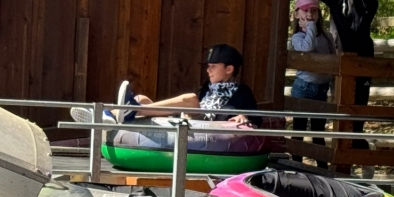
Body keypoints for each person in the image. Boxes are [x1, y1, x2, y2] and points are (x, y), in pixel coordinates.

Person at [292, 0, 379, 148]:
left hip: (363, 62)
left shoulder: (371, 4)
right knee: (340, 107)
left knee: (359, 110)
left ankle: (359, 150)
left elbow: (358, 26)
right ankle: (340, 155)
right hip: (339, 61)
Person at [71, 44, 259, 126]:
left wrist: (244, 116)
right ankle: (114, 114)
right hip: (190, 120)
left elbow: (255, 118)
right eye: (207, 66)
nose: (208, 70)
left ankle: (123, 111)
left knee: (191, 99)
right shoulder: (207, 87)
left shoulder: (242, 92)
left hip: (209, 129)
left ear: (229, 69)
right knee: (141, 98)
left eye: (213, 66)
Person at [289, 0, 335, 166]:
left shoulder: (327, 38)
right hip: (303, 88)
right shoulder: (297, 37)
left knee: (318, 132)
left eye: (314, 11)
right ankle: (297, 166)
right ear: (297, 14)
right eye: (305, 10)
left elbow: (333, 63)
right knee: (299, 130)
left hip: (321, 89)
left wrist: (332, 88)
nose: (310, 14)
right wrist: (310, 28)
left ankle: (322, 168)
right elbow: (307, 48)